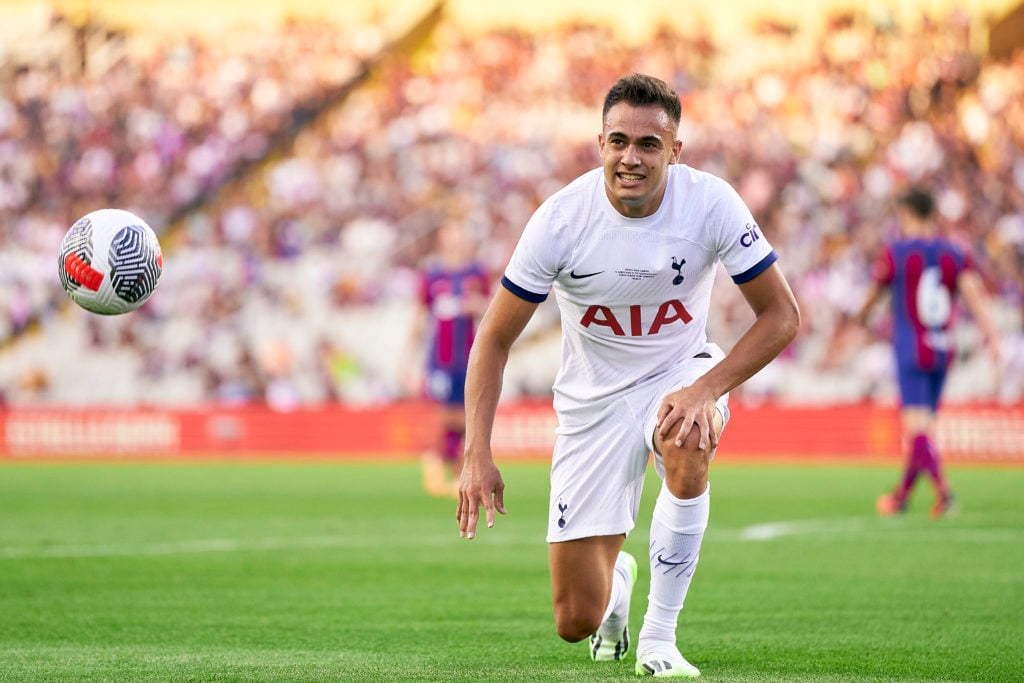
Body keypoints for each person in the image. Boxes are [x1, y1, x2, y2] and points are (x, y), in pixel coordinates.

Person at [456, 74, 800, 678]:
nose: (631, 157)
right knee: (574, 619)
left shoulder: (711, 203)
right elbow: (493, 339)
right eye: (619, 141)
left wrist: (706, 388)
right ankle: (616, 588)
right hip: (592, 402)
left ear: (675, 151)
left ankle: (659, 641)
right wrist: (476, 451)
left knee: (687, 436)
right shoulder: (561, 221)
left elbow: (782, 315)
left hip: (679, 373)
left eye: (648, 144)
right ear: (600, 144)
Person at [854, 187, 1000, 519]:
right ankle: (901, 497)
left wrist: (861, 318)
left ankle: (944, 494)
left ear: (906, 213)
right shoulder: (954, 252)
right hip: (942, 349)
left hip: (911, 347)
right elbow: (973, 294)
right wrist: (992, 335)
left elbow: (873, 294)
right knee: (923, 430)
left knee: (917, 430)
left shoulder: (897, 252)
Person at [405, 219, 491, 498]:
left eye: (460, 235)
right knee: (444, 414)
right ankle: (440, 464)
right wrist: (406, 360)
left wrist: (470, 305)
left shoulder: (477, 273)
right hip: (439, 359)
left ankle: (450, 469)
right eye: (452, 235)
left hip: (467, 356)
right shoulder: (433, 275)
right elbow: (419, 317)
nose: (457, 241)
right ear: (443, 240)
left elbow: (492, 310)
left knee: (465, 415)